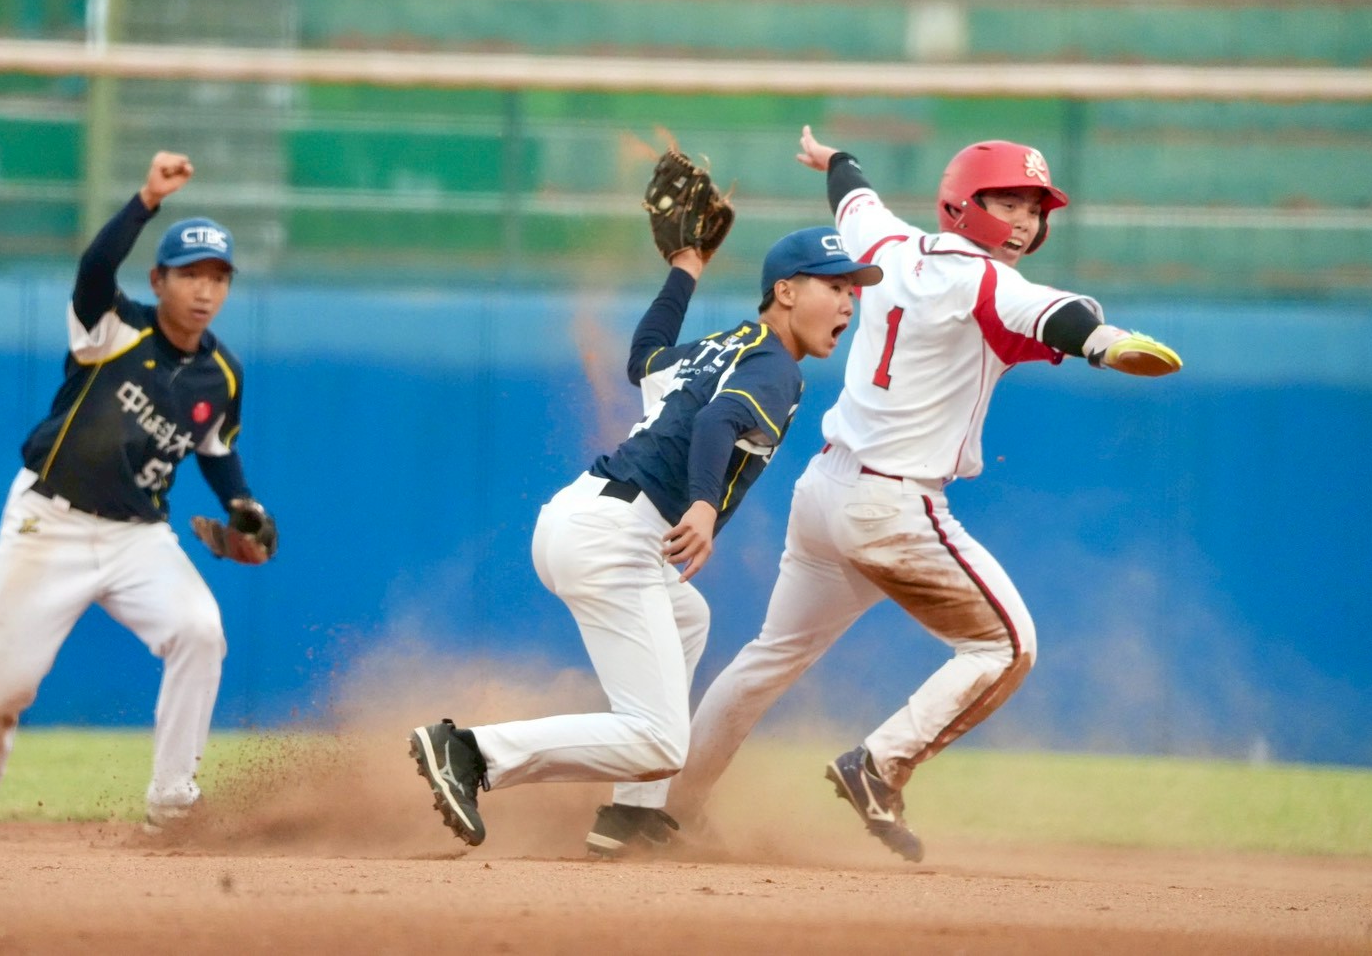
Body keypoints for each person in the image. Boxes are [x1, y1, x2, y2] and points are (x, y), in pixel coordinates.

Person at [663, 126, 1183, 863]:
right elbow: (1062, 320)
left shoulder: (885, 244)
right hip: (892, 507)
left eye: (1035, 208)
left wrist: (831, 159)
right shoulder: (990, 281)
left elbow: (854, 198)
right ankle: (878, 763)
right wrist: (1104, 343)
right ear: (962, 205)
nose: (1025, 222)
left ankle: (667, 808)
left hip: (827, 490)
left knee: (767, 658)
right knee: (1006, 644)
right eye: (1008, 202)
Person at [409, 225, 883, 855]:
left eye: (854, 289)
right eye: (834, 285)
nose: (849, 301)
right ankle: (471, 753)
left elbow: (646, 358)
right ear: (786, 292)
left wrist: (685, 267)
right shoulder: (773, 365)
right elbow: (719, 420)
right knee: (661, 741)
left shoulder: (727, 345)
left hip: (579, 517)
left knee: (689, 615)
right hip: (616, 537)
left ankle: (632, 817)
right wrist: (705, 507)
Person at [0, 152, 277, 838]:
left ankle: (172, 804)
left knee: (199, 629)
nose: (204, 289)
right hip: (48, 522)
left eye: (218, 277)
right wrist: (145, 199)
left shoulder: (221, 373)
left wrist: (243, 507)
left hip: (138, 535)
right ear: (158, 278)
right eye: (190, 273)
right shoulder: (113, 328)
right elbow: (93, 269)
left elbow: (216, 451)